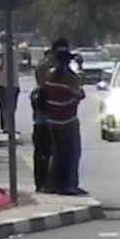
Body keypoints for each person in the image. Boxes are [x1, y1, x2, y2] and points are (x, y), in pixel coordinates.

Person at [40, 43, 87, 195]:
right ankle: (69, 185)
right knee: (72, 153)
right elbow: (79, 93)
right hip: (68, 120)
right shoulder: (68, 77)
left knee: (57, 153)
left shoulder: (50, 75)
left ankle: (54, 184)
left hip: (52, 119)